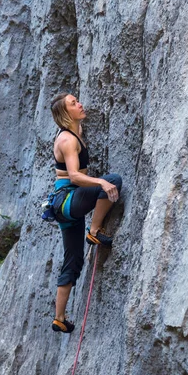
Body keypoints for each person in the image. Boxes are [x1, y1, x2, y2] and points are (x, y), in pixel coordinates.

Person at [50, 92, 122, 333]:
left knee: (73, 260)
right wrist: (101, 183)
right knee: (112, 180)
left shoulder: (73, 133)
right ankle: (94, 230)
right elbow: (74, 176)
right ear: (64, 114)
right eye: (73, 104)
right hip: (68, 199)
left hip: (64, 205)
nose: (79, 104)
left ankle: (59, 318)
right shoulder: (68, 140)